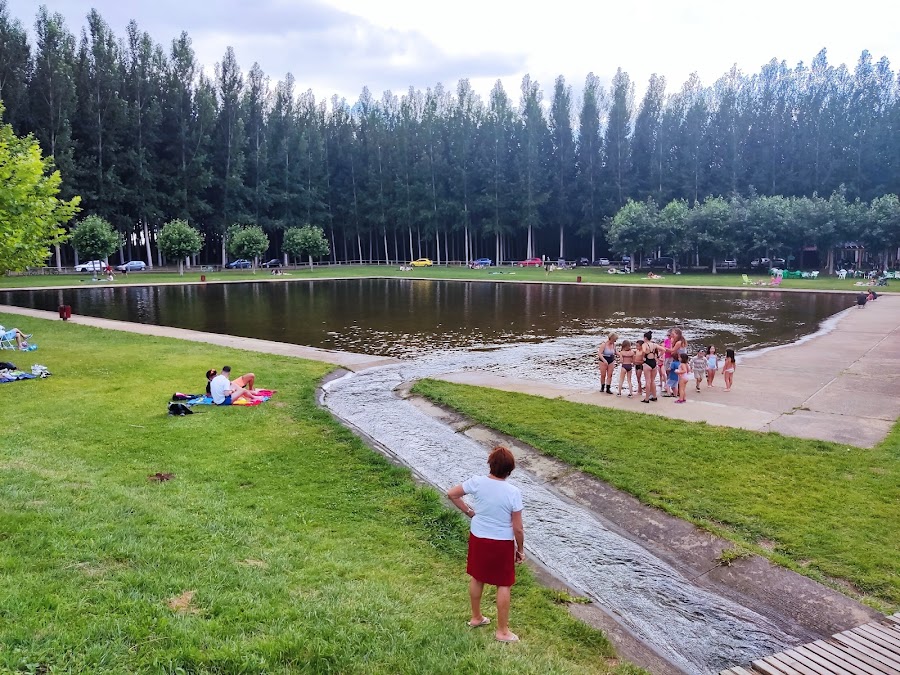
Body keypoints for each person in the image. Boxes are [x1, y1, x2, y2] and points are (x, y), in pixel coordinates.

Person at [447, 446, 525, 643]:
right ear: (510, 469)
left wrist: (469, 512)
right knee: (504, 583)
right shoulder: (513, 492)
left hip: (478, 536)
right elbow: (518, 529)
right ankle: (502, 631)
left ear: (490, 464)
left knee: (477, 576)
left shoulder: (477, 482)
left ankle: (476, 617)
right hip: (501, 542)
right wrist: (520, 550)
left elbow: (452, 494)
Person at [641, 331, 660, 403]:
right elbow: (663, 349)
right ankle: (654, 397)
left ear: (645, 338)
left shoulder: (644, 344)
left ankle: (646, 398)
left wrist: (643, 357)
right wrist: (658, 356)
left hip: (647, 362)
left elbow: (643, 351)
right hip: (654, 363)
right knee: (653, 381)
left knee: (648, 381)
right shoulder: (654, 344)